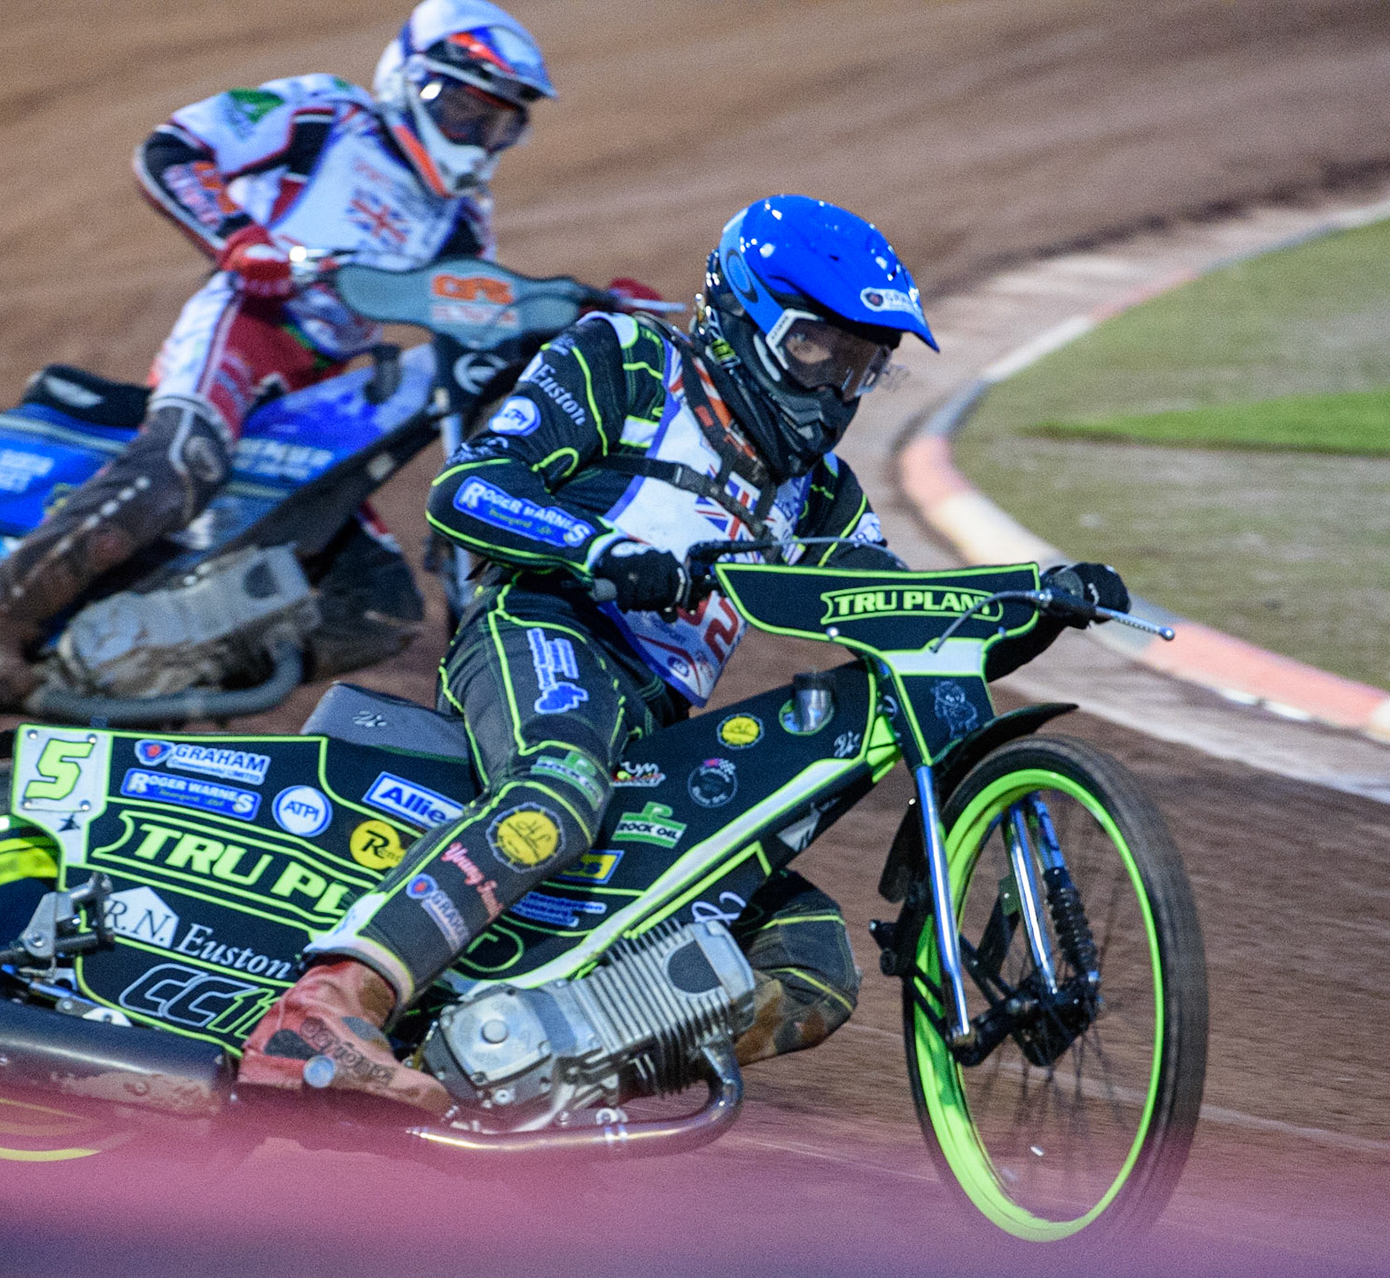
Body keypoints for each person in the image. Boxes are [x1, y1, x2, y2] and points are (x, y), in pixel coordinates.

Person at [236, 194, 1129, 1111]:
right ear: (742, 319)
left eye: (859, 366)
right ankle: (321, 1010)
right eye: (816, 351)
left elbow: (903, 621)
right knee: (558, 787)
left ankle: (527, 1082)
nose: (833, 390)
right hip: (541, 629)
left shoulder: (823, 493)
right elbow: (468, 489)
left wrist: (1034, 604)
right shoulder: (627, 359)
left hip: (657, 725)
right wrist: (603, 551)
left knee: (813, 962)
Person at [0, 0, 557, 704]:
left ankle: (117, 674)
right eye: (464, 108)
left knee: (377, 605)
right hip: (244, 325)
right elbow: (172, 149)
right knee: (182, 464)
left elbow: (473, 312)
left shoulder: (462, 215)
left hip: (324, 389)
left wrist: (583, 309)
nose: (478, 133)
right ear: (411, 81)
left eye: (499, 121)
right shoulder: (327, 113)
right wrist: (240, 238)